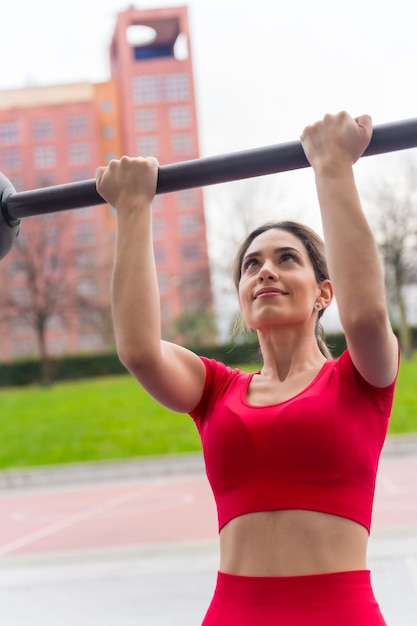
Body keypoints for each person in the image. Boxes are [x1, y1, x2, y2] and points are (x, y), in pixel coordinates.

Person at [96, 111, 399, 625]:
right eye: (251, 265)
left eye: (287, 259)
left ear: (325, 292)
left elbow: (368, 314)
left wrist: (332, 166)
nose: (266, 271)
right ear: (241, 298)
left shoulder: (361, 380)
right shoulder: (216, 390)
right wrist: (133, 207)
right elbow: (139, 350)